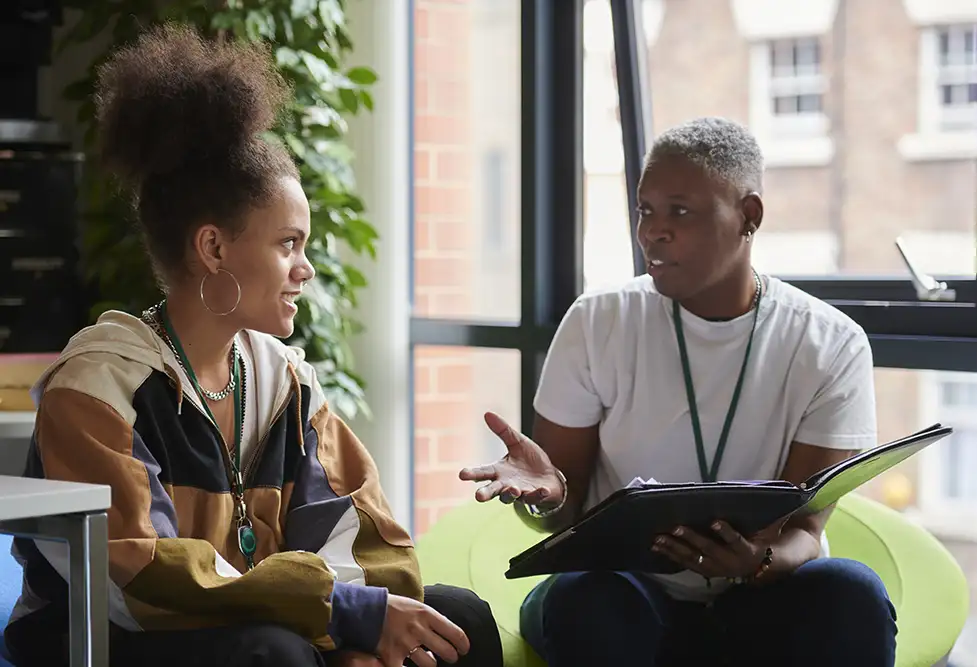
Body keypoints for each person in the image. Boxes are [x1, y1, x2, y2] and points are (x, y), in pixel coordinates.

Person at [4, 24, 502, 667]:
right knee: (274, 653)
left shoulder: (285, 383)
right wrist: (344, 619)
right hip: (104, 637)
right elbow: (137, 576)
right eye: (288, 243)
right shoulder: (98, 387)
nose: (307, 268)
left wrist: (363, 634)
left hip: (257, 623)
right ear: (213, 248)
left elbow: (365, 537)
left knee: (458, 616)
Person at [460, 117, 897, 666]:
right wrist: (548, 496)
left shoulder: (829, 344)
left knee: (851, 593)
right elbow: (563, 514)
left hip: (760, 597)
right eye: (645, 210)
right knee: (585, 599)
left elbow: (804, 528)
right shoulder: (599, 321)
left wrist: (756, 562)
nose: (651, 231)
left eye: (679, 212)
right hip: (625, 595)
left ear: (749, 216)